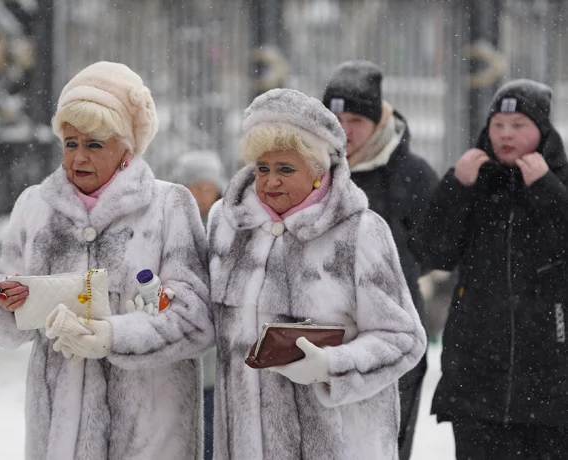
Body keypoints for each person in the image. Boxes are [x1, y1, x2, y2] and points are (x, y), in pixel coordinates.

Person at [0, 61, 215, 460]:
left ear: (126, 149)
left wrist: (113, 336)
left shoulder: (169, 206)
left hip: (150, 433)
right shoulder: (35, 206)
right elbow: (3, 317)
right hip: (60, 435)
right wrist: (3, 300)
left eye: (94, 145)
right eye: (71, 144)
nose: (78, 158)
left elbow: (195, 321)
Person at [208, 88, 427, 460]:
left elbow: (404, 338)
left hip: (339, 446)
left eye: (285, 169)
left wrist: (332, 366)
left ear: (318, 170)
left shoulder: (360, 233)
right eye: (263, 168)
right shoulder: (227, 225)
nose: (270, 181)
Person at [411, 79, 568, 459]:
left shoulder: (559, 182)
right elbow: (433, 253)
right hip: (477, 377)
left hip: (549, 380)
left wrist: (546, 190)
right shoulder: (475, 183)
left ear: (542, 131)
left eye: (519, 126)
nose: (506, 135)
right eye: (498, 125)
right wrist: (456, 187)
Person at [322, 60, 438, 460]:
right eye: (335, 117)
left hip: (393, 335)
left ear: (378, 120)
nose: (343, 129)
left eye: (355, 118)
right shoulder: (307, 171)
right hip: (321, 338)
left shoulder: (411, 174)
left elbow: (432, 250)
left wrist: (384, 280)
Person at [169, 149, 228, 460]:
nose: (203, 195)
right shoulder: (170, 227)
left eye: (209, 187)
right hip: (180, 348)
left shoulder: (229, 228)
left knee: (211, 434)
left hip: (217, 357)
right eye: (196, 187)